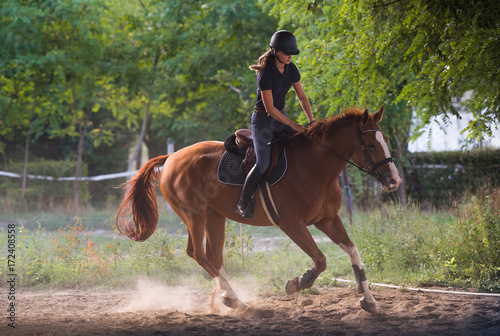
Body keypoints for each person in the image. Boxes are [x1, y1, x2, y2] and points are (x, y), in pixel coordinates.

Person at [235, 30, 315, 219]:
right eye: (287, 53)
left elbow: (302, 97)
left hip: (281, 118)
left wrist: (311, 121)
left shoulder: (292, 69)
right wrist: (294, 125)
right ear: (275, 51)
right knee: (262, 164)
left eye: (292, 53)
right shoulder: (265, 74)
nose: (290, 56)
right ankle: (242, 202)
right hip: (263, 121)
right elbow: (270, 109)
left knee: (304, 146)